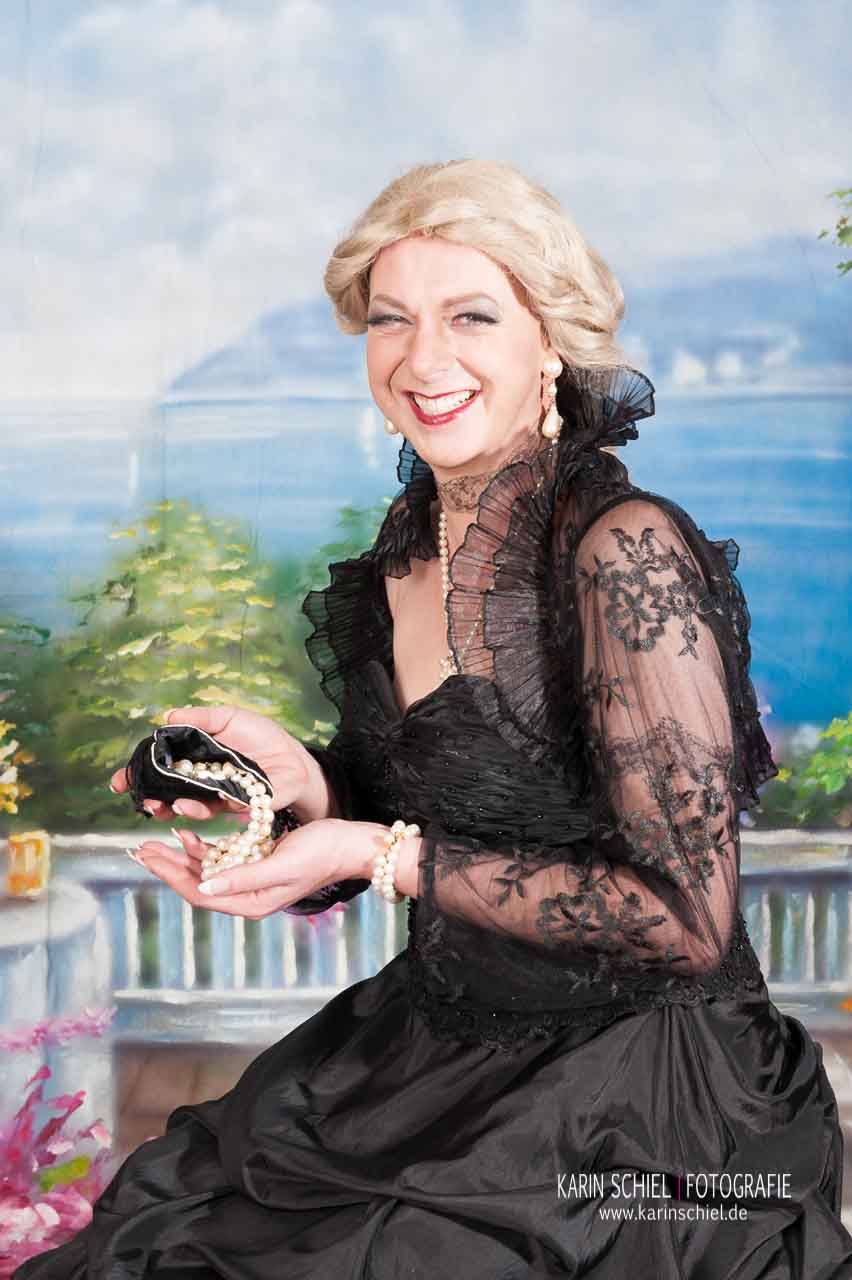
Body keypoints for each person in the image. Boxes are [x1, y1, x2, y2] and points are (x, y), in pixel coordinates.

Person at [15, 158, 852, 1279]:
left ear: (549, 341)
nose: (421, 358)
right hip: (434, 1051)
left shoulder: (623, 551)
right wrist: (299, 784)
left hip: (646, 1109)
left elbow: (682, 922)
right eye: (391, 319)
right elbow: (429, 803)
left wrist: (376, 852)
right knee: (169, 1242)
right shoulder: (405, 552)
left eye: (471, 316)